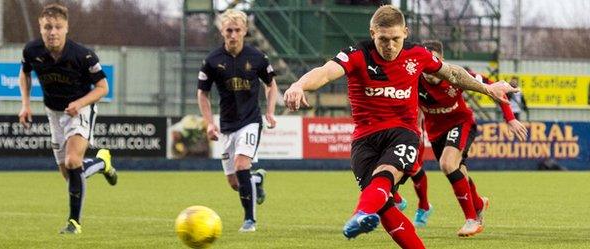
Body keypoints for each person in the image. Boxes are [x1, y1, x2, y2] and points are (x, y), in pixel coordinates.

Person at [284, 5, 518, 248]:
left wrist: (488, 88)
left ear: (405, 32)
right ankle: (366, 213)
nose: (390, 46)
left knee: (385, 175)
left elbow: (454, 74)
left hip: (403, 133)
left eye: (395, 39)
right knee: (384, 208)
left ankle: (360, 213)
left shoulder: (417, 55)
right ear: (372, 33)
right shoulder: (356, 55)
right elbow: (325, 72)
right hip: (364, 140)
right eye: (383, 39)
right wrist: (298, 85)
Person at [18, 3, 118, 234]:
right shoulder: (31, 50)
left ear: (66, 28)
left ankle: (74, 223)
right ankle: (103, 163)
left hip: (80, 109)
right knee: (69, 174)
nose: (52, 32)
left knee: (74, 162)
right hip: (54, 112)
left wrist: (80, 103)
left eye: (57, 27)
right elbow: (24, 73)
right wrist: (25, 105)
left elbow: (103, 87)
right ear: (40, 28)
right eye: (47, 27)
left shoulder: (83, 55)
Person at [418, 40, 528, 236]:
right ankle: (478, 203)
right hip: (435, 132)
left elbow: (494, 88)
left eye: (434, 60)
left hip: (461, 123)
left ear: (441, 60)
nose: (429, 68)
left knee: (447, 164)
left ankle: (472, 220)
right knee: (458, 171)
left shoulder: (454, 74)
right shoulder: (414, 78)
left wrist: (510, 118)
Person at [197, 9, 278, 232]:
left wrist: (270, 112)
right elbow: (202, 93)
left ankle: (249, 220)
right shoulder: (212, 61)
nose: (233, 35)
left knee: (242, 165)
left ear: (245, 31)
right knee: (235, 183)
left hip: (250, 121)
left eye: (237, 30)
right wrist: (209, 123)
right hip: (226, 126)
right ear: (222, 31)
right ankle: (257, 181)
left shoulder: (258, 58)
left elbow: (271, 85)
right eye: (228, 30)